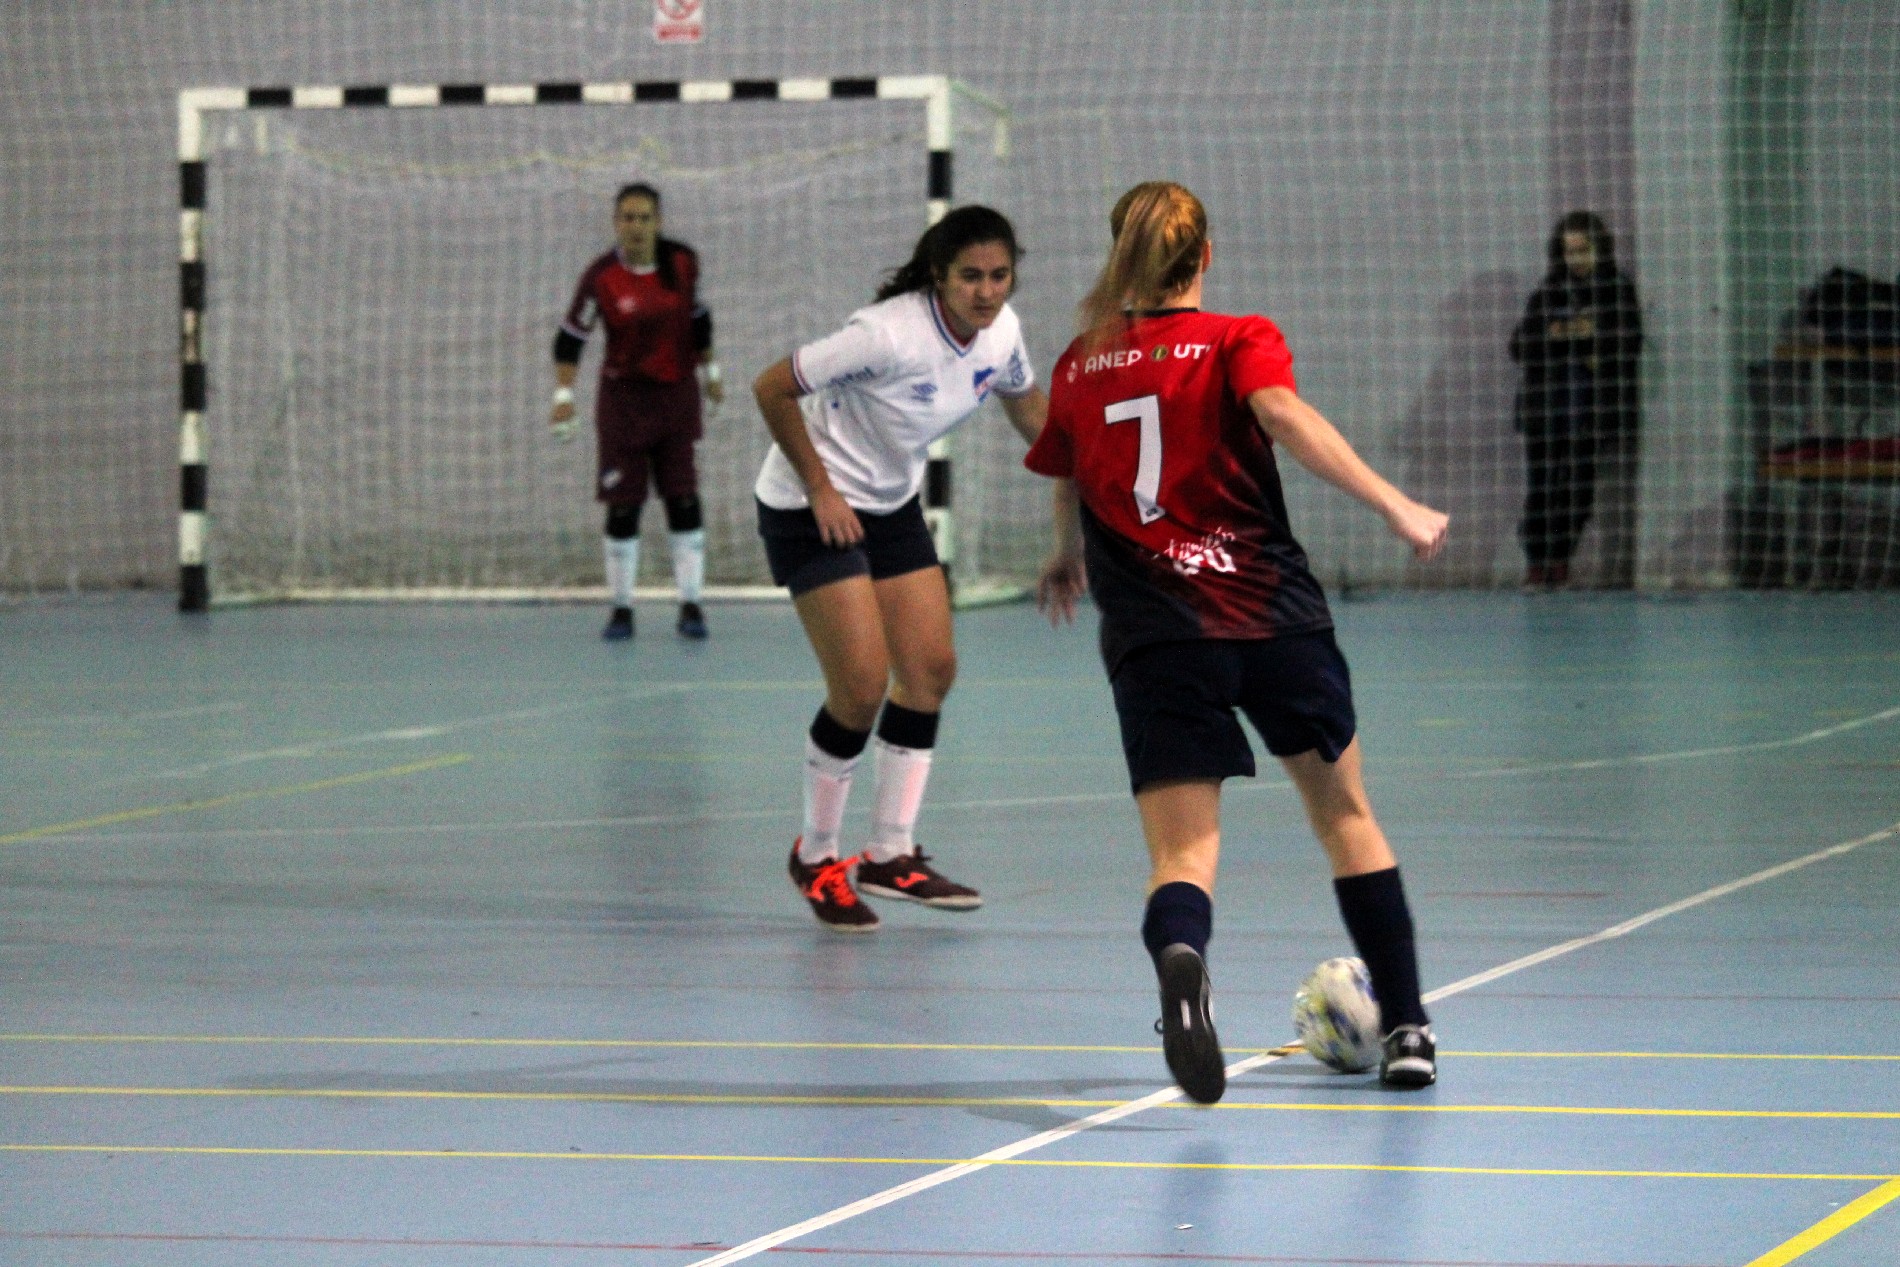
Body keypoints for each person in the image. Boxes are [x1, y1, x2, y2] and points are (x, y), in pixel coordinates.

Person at [1026, 182, 1449, 1102]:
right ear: (1204, 256)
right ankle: (1409, 1025)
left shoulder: (1079, 363)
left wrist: (1065, 557)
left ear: (1121, 254)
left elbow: (1066, 472)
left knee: (1183, 857)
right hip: (1273, 619)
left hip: (1157, 636)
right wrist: (1395, 503)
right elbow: (1288, 420)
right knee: (1346, 817)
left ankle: (1183, 959)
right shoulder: (1235, 338)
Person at [752, 206, 1047, 932]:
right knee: (859, 683)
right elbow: (772, 386)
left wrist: (1102, 472)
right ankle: (817, 853)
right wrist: (820, 487)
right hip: (807, 501)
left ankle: (889, 854)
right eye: (971, 276)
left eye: (999, 275)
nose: (986, 290)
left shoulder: (1003, 333)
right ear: (939, 277)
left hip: (888, 503)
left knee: (930, 670)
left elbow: (1028, 407)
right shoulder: (885, 333)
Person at [552, 182, 724, 639]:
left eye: (645, 217)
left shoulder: (682, 263)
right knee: (623, 507)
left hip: (676, 399)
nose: (636, 226)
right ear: (616, 223)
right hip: (623, 405)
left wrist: (712, 375)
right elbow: (571, 337)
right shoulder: (601, 277)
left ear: (659, 221)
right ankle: (621, 608)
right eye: (627, 218)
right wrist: (563, 397)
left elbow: (699, 321)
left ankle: (691, 605)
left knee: (683, 500)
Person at [1508, 210, 1643, 588]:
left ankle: (1561, 560)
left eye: (1584, 250)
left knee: (1578, 492)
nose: (1577, 259)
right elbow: (1519, 345)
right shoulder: (1548, 293)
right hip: (1546, 410)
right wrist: (1563, 333)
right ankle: (1538, 564)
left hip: (1590, 411)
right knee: (1542, 489)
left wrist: (1588, 335)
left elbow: (1628, 343)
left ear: (1600, 250)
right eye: (1570, 252)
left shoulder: (1617, 291)